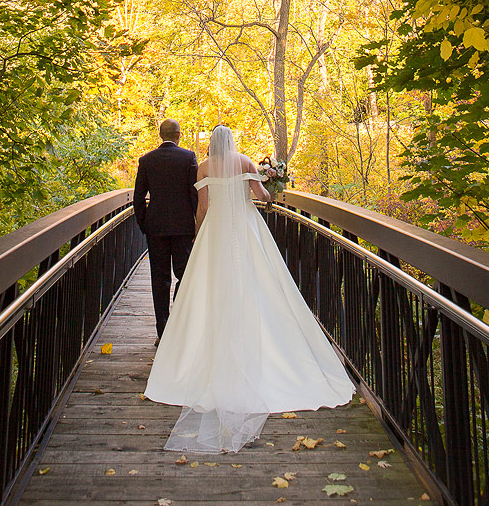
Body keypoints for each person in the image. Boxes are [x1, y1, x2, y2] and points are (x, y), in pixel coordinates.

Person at [144, 124, 354, 453]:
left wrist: (199, 233)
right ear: (232, 142)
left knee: (209, 287)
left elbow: (202, 206)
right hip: (243, 227)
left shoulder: (203, 167)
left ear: (212, 144)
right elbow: (263, 197)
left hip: (215, 230)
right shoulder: (244, 162)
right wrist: (272, 182)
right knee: (257, 283)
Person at [133, 117, 199, 345]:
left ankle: (163, 331)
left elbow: (138, 197)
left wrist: (144, 223)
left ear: (161, 135)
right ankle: (179, 323)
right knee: (185, 275)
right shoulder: (188, 158)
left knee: (159, 279)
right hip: (182, 228)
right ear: (179, 135)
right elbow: (195, 194)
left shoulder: (146, 160)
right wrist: (196, 223)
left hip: (156, 227)